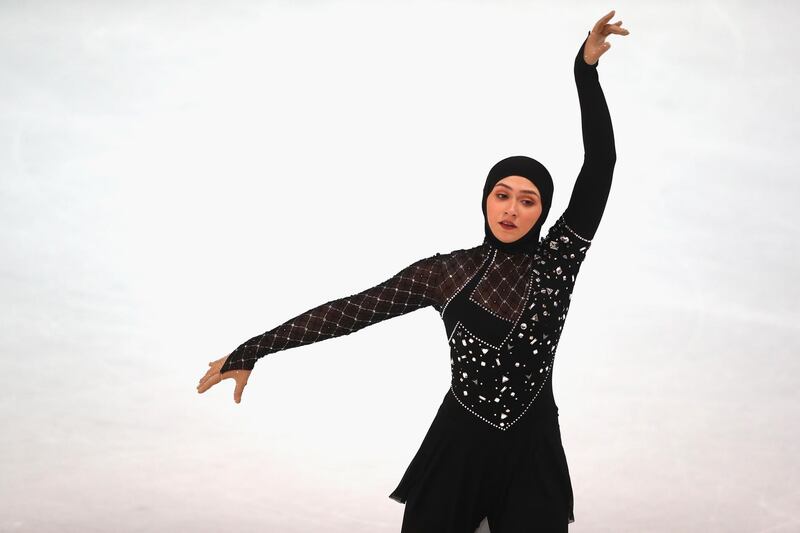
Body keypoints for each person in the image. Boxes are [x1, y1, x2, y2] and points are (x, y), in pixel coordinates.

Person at [197, 10, 628, 532]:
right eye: (502, 195)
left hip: (532, 450)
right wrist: (254, 349)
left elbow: (600, 162)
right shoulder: (445, 273)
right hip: (458, 448)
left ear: (543, 211)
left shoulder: (557, 260)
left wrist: (585, 71)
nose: (511, 210)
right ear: (486, 200)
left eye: (528, 201)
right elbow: (351, 312)